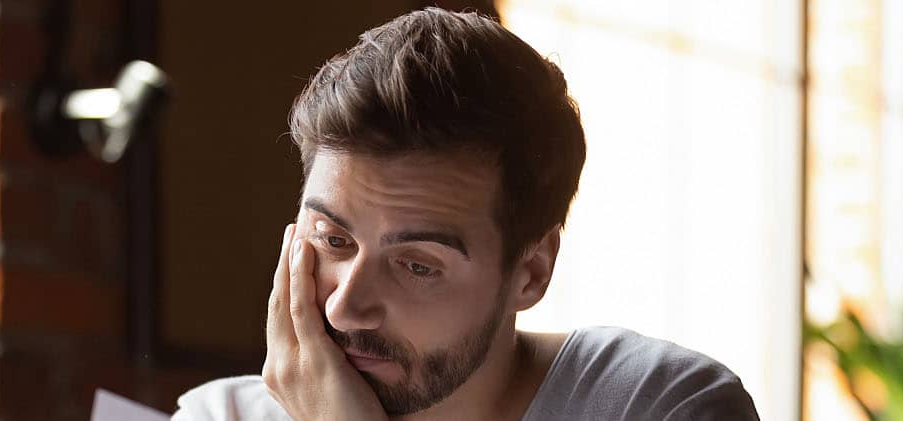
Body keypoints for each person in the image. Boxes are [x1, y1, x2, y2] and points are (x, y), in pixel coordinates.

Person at [171, 8, 758, 421]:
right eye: (333, 240)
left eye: (418, 265)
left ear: (530, 272)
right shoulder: (220, 416)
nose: (345, 307)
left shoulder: (657, 405)